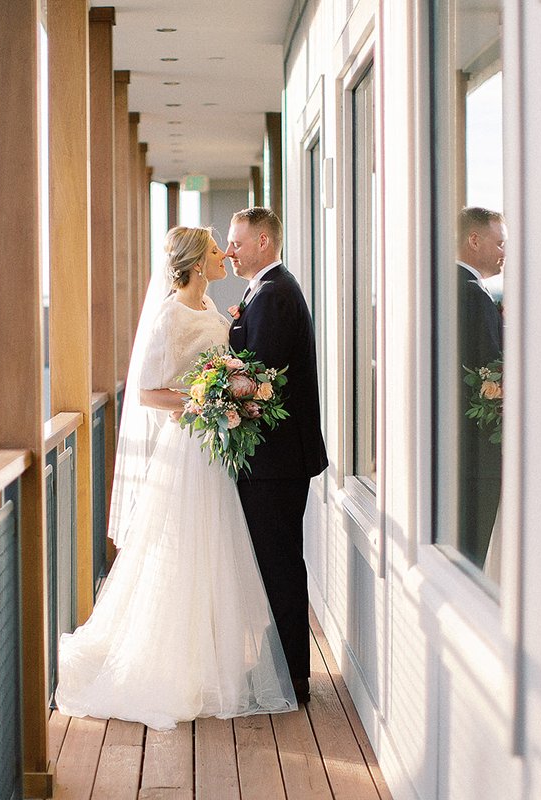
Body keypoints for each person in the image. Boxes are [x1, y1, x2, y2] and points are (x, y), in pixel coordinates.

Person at [54, 226, 296, 731]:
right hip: (188, 447)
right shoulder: (168, 314)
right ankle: (168, 665)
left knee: (213, 552)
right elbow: (147, 392)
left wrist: (224, 393)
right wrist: (204, 403)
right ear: (193, 262)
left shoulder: (210, 308)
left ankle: (210, 664)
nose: (224, 254)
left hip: (215, 447)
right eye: (215, 250)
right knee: (183, 551)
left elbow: (219, 361)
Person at [224, 207, 328, 704]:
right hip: (274, 461)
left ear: (264, 241)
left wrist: (216, 394)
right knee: (275, 563)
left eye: (237, 242)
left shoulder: (275, 296)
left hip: (276, 462)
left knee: (280, 565)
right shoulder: (265, 292)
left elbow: (257, 381)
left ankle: (291, 678)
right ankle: (283, 670)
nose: (230, 251)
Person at [456, 207, 506, 571]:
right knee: (471, 557)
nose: (504, 252)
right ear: (474, 240)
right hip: (478, 455)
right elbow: (491, 372)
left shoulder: (447, 288)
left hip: (456, 452)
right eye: (500, 242)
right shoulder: (474, 295)